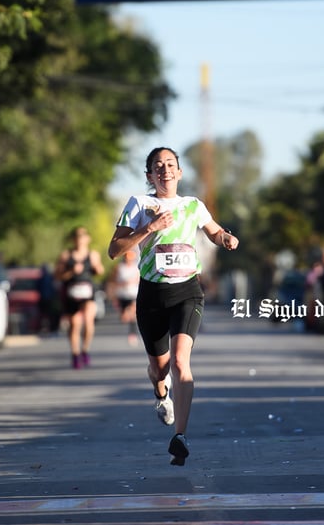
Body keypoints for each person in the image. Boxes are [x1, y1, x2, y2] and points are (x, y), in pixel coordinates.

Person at [108, 146, 239, 466]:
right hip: (151, 295)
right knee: (159, 368)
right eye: (157, 166)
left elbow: (213, 231)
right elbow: (114, 249)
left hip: (187, 293)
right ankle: (160, 393)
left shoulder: (193, 205)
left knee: (181, 362)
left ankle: (180, 436)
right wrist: (148, 228)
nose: (165, 170)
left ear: (179, 172)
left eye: (170, 165)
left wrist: (225, 238)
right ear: (150, 175)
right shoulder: (139, 204)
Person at [55, 226, 104, 369]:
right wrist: (71, 271)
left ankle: (85, 350)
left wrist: (96, 267)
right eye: (77, 237)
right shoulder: (66, 255)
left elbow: (100, 271)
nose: (80, 240)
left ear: (88, 239)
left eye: (83, 236)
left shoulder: (93, 254)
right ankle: (75, 354)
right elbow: (57, 275)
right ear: (73, 239)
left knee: (89, 321)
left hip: (88, 293)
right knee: (75, 324)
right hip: (72, 293)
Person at [107, 248, 141, 346]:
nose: (128, 259)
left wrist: (134, 281)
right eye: (127, 257)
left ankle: (132, 334)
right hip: (122, 295)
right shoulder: (119, 267)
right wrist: (114, 292)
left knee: (132, 314)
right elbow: (112, 281)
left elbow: (140, 280)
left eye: (130, 257)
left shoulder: (136, 268)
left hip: (134, 294)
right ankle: (127, 319)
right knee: (124, 318)